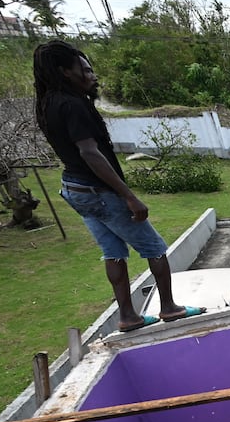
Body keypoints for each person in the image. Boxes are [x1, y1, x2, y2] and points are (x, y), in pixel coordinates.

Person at [33, 40, 204, 332]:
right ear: (65, 72)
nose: (92, 75)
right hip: (97, 190)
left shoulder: (46, 104)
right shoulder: (73, 105)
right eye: (84, 70)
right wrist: (129, 196)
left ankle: (128, 316)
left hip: (75, 189)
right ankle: (169, 308)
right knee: (155, 248)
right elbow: (89, 152)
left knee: (113, 252)